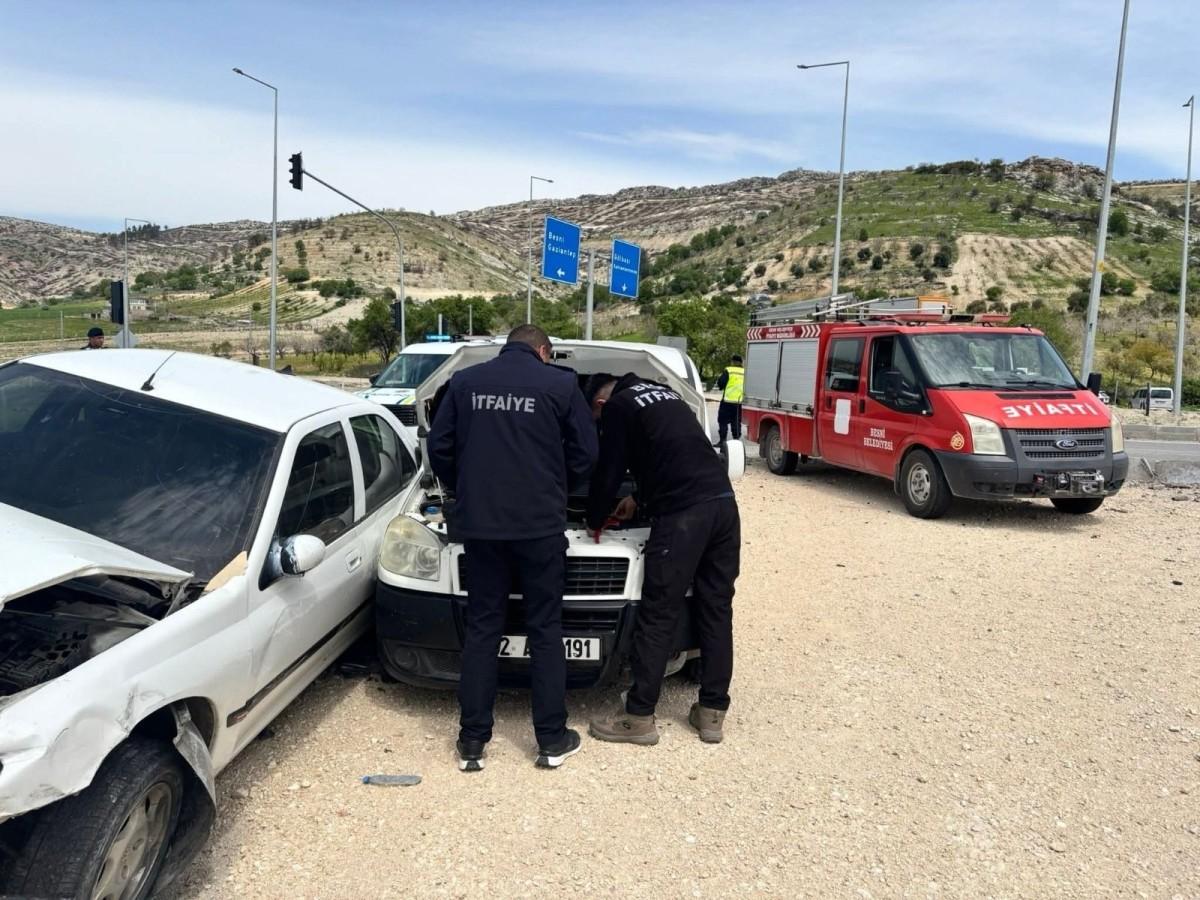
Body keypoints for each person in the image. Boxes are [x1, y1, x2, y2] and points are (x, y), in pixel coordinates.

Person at [428, 325, 597, 772]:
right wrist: (563, 487)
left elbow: (439, 447)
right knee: (545, 629)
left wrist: (464, 489)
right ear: (544, 351)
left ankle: (472, 743)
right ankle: (551, 740)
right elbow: (586, 453)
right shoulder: (560, 384)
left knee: (483, 628)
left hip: (481, 528)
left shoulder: (465, 382)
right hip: (539, 527)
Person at [584, 373, 740, 746]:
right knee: (716, 608)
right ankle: (711, 714)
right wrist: (641, 500)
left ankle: (637, 718)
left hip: (684, 517)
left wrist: (593, 517)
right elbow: (676, 455)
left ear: (601, 405)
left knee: (658, 613)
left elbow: (608, 471)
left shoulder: (619, 406)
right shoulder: (666, 396)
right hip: (723, 506)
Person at [715, 354, 744, 442]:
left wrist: (720, 386)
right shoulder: (745, 372)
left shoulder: (728, 370)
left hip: (727, 401)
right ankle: (736, 440)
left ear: (733, 362)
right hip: (739, 402)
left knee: (722, 421)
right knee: (736, 422)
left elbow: (721, 383)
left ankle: (722, 440)